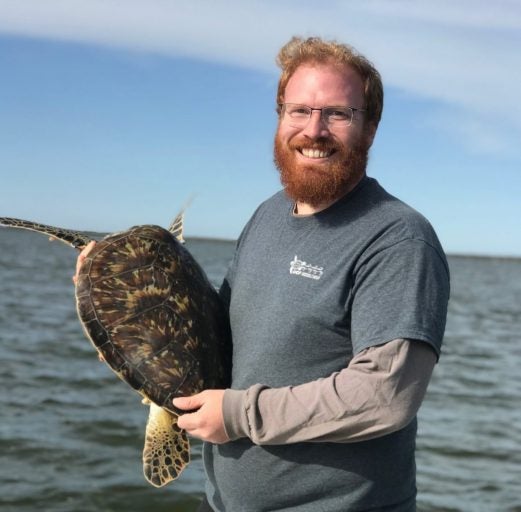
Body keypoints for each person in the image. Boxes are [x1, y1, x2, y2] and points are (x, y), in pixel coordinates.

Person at [77, 36, 450, 511]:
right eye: (299, 111)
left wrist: (237, 415)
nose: (314, 130)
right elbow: (222, 329)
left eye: (338, 113)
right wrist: (120, 297)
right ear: (279, 118)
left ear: (371, 128)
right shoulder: (269, 214)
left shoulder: (397, 238)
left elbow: (386, 394)